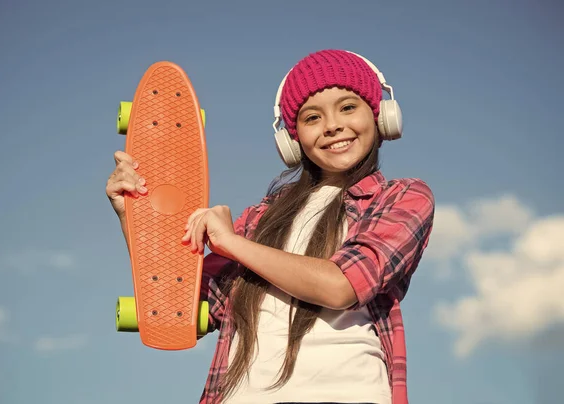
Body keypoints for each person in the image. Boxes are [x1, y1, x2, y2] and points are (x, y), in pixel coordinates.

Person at [106, 49, 435, 404]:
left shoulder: (403, 197)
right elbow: (177, 300)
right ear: (292, 139)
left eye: (347, 107)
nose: (332, 125)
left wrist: (233, 244)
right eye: (312, 117)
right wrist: (135, 215)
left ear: (381, 115)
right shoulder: (260, 219)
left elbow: (342, 286)